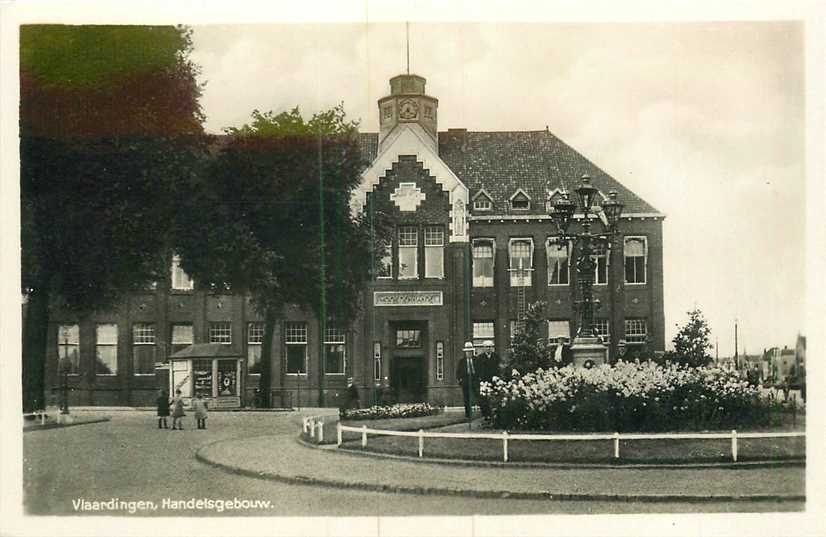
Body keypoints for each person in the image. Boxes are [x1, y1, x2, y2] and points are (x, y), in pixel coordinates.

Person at [456, 341, 477, 419]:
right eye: (467, 352)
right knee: (466, 398)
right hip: (466, 381)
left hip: (474, 380)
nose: (469, 353)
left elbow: (479, 369)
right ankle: (468, 414)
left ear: (472, 352)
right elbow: (458, 372)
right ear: (465, 352)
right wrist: (460, 380)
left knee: (477, 395)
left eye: (470, 351)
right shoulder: (462, 362)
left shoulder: (476, 359)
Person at [478, 340, 498, 418]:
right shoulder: (480, 358)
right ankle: (486, 415)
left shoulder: (496, 356)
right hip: (484, 381)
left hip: (494, 381)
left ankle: (494, 414)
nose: (489, 348)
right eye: (487, 347)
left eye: (490, 346)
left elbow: (498, 368)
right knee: (484, 398)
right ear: (484, 348)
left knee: (494, 397)